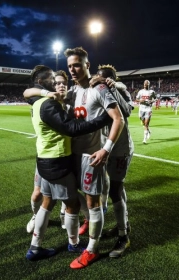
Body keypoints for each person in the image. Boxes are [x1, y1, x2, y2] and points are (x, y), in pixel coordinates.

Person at [24, 65, 111, 262]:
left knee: (47, 203)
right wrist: (101, 120)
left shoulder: (36, 102)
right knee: (71, 204)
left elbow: (27, 92)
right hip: (57, 161)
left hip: (45, 159)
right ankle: (73, 244)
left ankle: (35, 247)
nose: (54, 81)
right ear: (41, 82)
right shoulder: (47, 104)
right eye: (50, 79)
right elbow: (71, 128)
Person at [64, 47, 125, 269]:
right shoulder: (74, 91)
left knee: (92, 202)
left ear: (87, 65)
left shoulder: (98, 87)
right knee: (77, 197)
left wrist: (106, 149)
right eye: (70, 65)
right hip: (74, 154)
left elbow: (118, 119)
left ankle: (92, 249)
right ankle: (90, 228)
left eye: (77, 64)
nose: (73, 69)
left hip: (92, 155)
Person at [24, 70, 89, 234]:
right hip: (47, 155)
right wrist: (46, 92)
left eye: (63, 83)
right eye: (57, 82)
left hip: (67, 154)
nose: (60, 85)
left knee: (69, 191)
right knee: (38, 194)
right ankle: (35, 215)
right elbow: (26, 92)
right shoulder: (45, 100)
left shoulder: (72, 97)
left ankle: (71, 218)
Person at [92, 64, 134, 258]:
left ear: (112, 79)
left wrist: (114, 88)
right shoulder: (97, 92)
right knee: (115, 189)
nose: (100, 81)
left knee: (116, 189)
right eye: (98, 77)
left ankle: (123, 237)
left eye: (104, 79)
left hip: (120, 150)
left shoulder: (122, 92)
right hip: (104, 149)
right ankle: (122, 225)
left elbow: (125, 112)